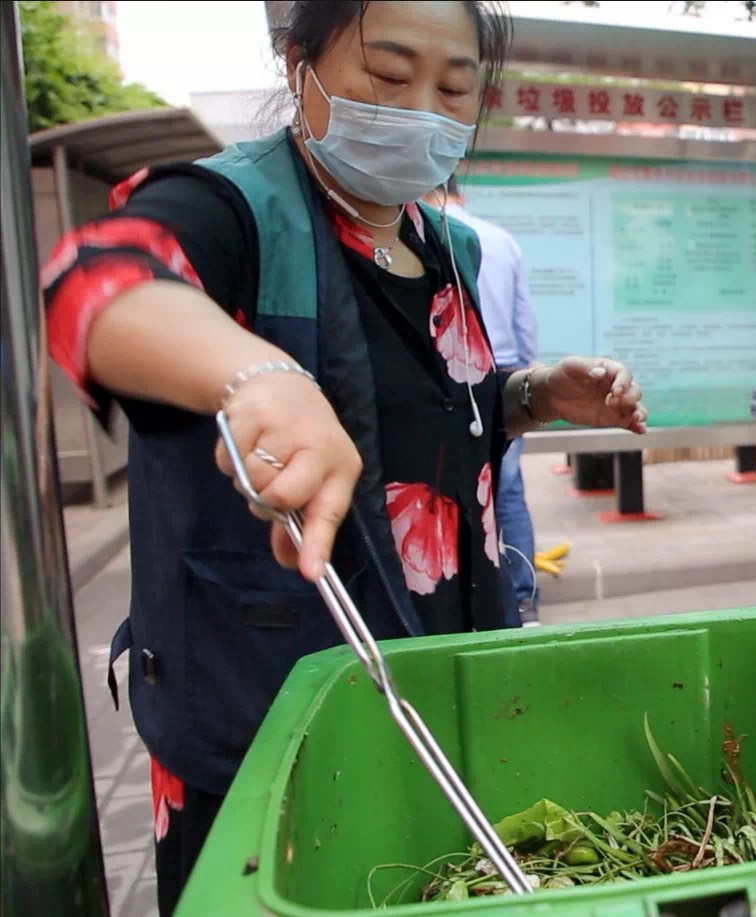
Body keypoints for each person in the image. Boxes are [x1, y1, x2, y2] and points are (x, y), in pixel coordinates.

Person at [37, 2, 646, 912]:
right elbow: (97, 282)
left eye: (454, 88)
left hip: (435, 704)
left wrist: (530, 396)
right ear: (298, 68)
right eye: (390, 77)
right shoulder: (234, 209)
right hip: (272, 725)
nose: (422, 112)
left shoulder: (447, 246)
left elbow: (436, 413)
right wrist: (254, 374)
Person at [434, 176, 540, 624]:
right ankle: (523, 598)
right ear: (462, 193)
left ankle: (462, 598)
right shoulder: (500, 239)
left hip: (448, 371)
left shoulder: (419, 235)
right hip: (506, 372)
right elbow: (524, 319)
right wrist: (533, 387)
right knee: (508, 491)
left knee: (448, 490)